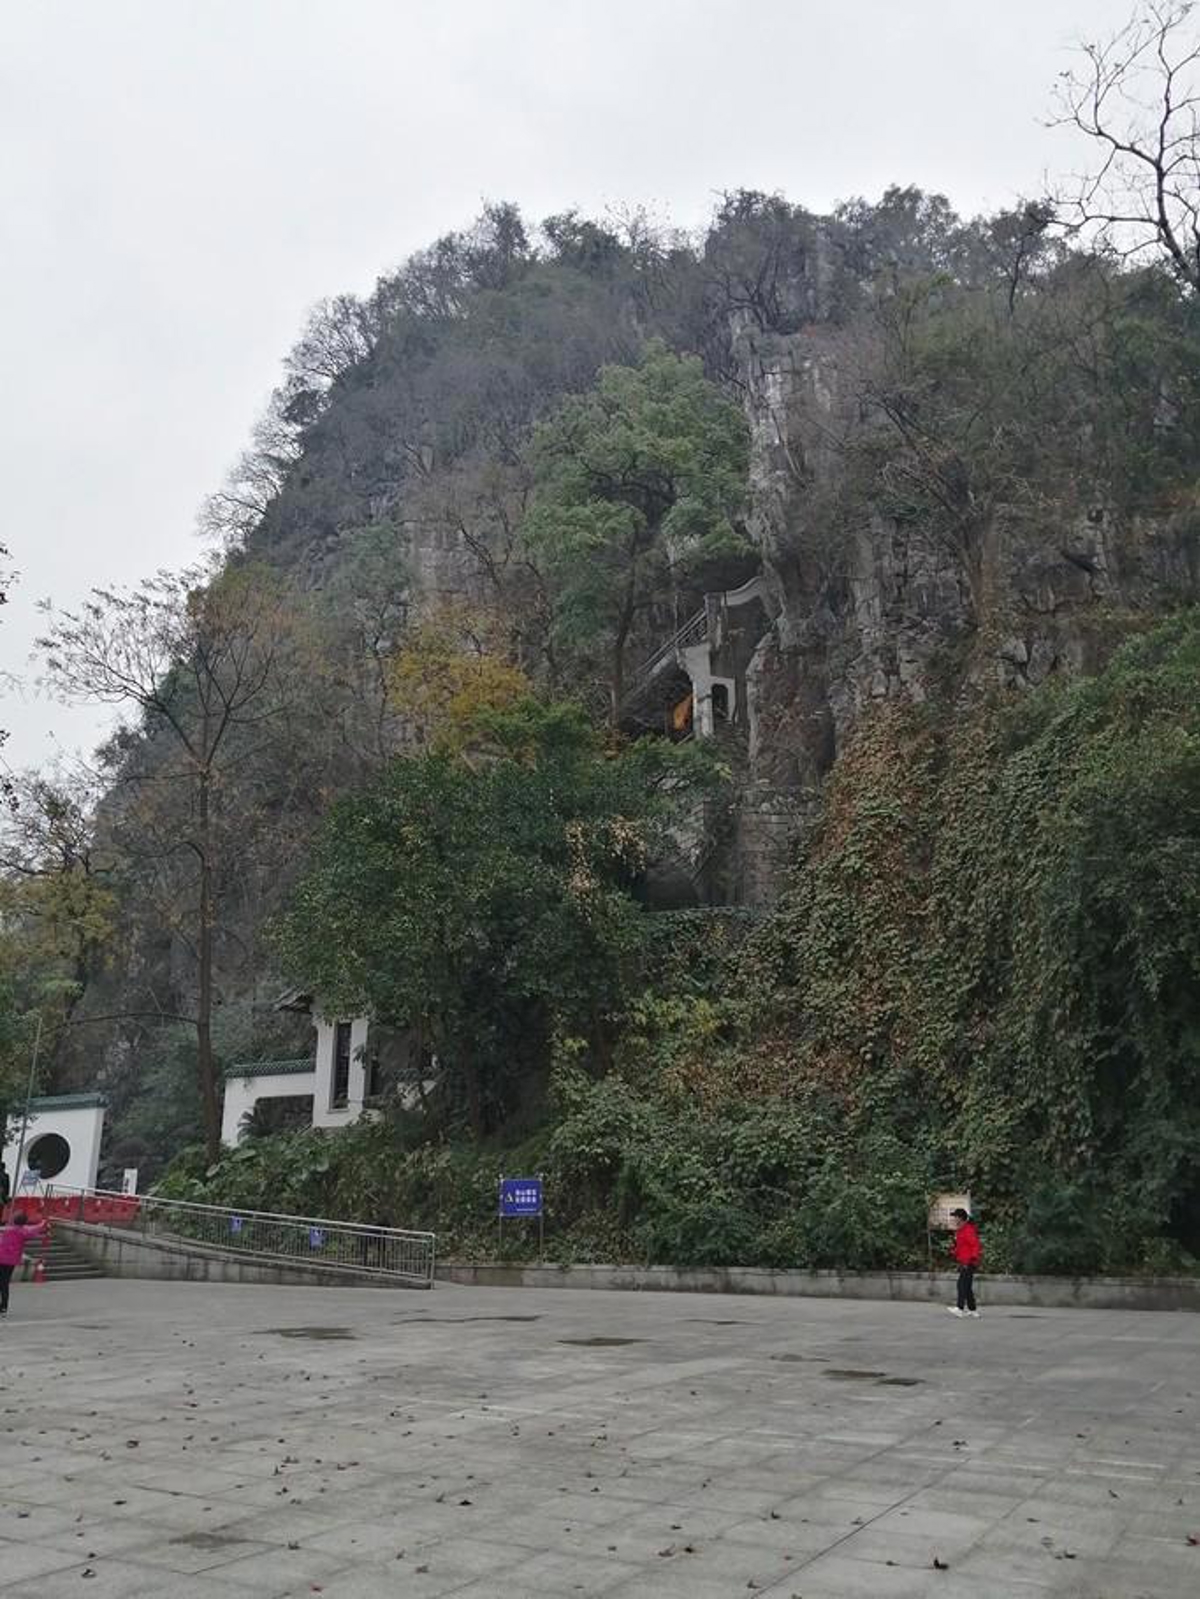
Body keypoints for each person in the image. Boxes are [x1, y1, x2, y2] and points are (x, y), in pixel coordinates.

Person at [0, 1210, 49, 1317]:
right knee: (4, 1283)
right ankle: (3, 1308)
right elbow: (34, 1228)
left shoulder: (8, 1229)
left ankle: (3, 1307)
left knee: (2, 1283)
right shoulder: (24, 1231)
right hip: (11, 1261)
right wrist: (43, 1223)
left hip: (1, 1258)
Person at [947, 1206, 982, 1319]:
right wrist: (954, 1252)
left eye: (955, 1217)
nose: (954, 1219)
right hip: (964, 1261)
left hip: (969, 1262)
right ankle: (973, 1310)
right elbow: (961, 1246)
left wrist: (973, 1259)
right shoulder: (961, 1230)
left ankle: (960, 1308)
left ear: (960, 1218)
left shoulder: (968, 1230)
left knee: (961, 1284)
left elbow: (975, 1245)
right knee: (967, 1286)